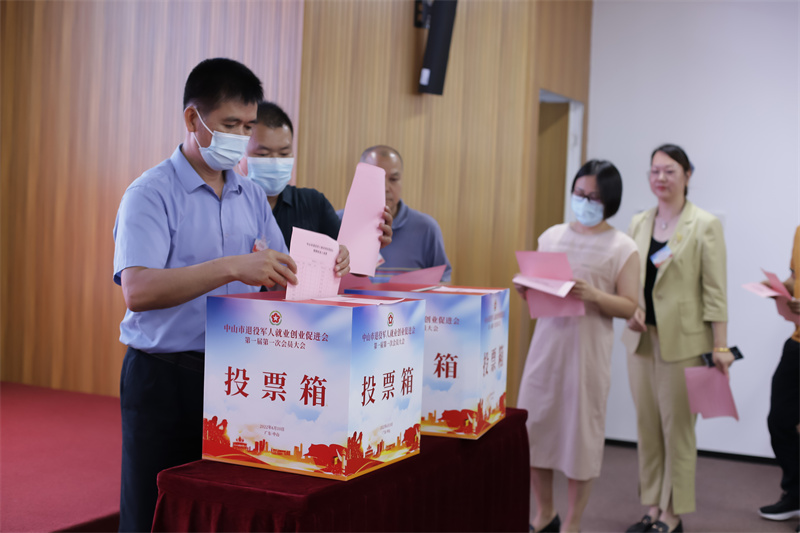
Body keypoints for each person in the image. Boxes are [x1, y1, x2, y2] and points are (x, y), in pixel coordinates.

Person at [112, 58, 349, 532]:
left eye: (246, 126)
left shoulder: (250, 195)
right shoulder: (150, 193)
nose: (239, 137)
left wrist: (331, 259)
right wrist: (232, 267)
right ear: (192, 119)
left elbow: (282, 276)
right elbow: (138, 290)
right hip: (165, 376)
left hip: (238, 379)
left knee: (220, 512)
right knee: (152, 512)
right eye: (229, 125)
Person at [515, 160, 640, 533]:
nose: (584, 202)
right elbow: (542, 292)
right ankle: (544, 513)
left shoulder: (622, 246)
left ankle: (573, 521)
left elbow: (630, 306)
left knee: (580, 439)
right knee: (536, 429)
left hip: (587, 355)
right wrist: (526, 288)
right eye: (579, 194)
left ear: (610, 201)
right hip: (546, 350)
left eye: (594, 197)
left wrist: (595, 295)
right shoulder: (551, 237)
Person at [623, 144, 732, 533]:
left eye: (669, 171)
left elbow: (715, 291)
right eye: (654, 171)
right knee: (647, 427)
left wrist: (720, 346)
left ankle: (672, 513)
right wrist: (629, 308)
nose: (661, 178)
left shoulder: (704, 224)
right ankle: (652, 506)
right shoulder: (639, 222)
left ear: (687, 175)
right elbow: (628, 279)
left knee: (678, 432)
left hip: (685, 344)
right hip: (641, 342)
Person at [236, 101, 393, 249]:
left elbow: (349, 256)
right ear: (240, 154)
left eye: (284, 154)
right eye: (263, 154)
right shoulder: (227, 205)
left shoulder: (313, 204)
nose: (276, 162)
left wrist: (371, 245)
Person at [352, 145, 451, 283]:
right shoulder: (337, 223)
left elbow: (443, 281)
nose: (385, 188)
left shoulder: (427, 228)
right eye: (376, 179)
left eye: (393, 179)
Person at [759, 225, 800, 525]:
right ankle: (796, 494)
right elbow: (795, 280)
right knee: (780, 420)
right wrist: (779, 289)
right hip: (797, 343)